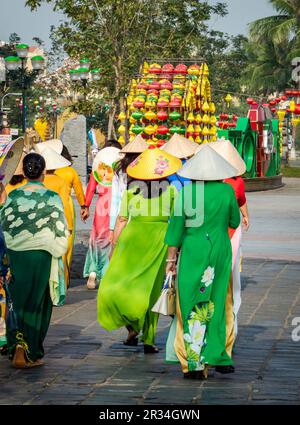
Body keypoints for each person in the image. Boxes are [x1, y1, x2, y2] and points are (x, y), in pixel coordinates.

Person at [165, 144, 240, 379]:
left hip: (192, 251)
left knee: (190, 302)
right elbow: (235, 221)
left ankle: (194, 362)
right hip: (218, 250)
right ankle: (217, 354)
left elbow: (175, 229)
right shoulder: (227, 191)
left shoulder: (187, 193)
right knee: (218, 301)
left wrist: (170, 259)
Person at [98, 147, 181, 353]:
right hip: (158, 239)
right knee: (150, 290)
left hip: (132, 240)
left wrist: (114, 246)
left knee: (121, 285)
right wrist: (177, 248)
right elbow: (178, 220)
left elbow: (121, 219)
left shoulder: (131, 190)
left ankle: (137, 329)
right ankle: (147, 337)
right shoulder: (171, 190)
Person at [0, 153, 68, 368]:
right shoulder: (51, 197)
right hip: (41, 254)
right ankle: (31, 351)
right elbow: (60, 229)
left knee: (15, 303)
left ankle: (16, 348)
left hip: (14, 254)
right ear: (43, 171)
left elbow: (5, 225)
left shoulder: (13, 195)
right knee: (37, 303)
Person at [204, 139, 250, 356]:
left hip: (202, 241)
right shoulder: (234, 183)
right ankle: (226, 331)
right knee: (230, 284)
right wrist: (245, 215)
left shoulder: (195, 187)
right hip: (228, 238)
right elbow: (235, 216)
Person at [84, 147, 122, 289]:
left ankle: (93, 272)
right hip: (116, 206)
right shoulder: (120, 171)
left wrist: (85, 206)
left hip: (101, 205)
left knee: (96, 237)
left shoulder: (98, 170)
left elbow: (90, 188)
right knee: (111, 239)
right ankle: (106, 272)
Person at [35, 144, 73, 288]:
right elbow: (63, 203)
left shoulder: (39, 180)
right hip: (56, 220)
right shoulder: (60, 180)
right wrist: (68, 225)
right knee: (59, 254)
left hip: (40, 219)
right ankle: (60, 284)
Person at [109, 135, 148, 236]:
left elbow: (115, 200)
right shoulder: (149, 171)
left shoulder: (120, 171)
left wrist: (112, 228)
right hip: (144, 218)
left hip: (122, 218)